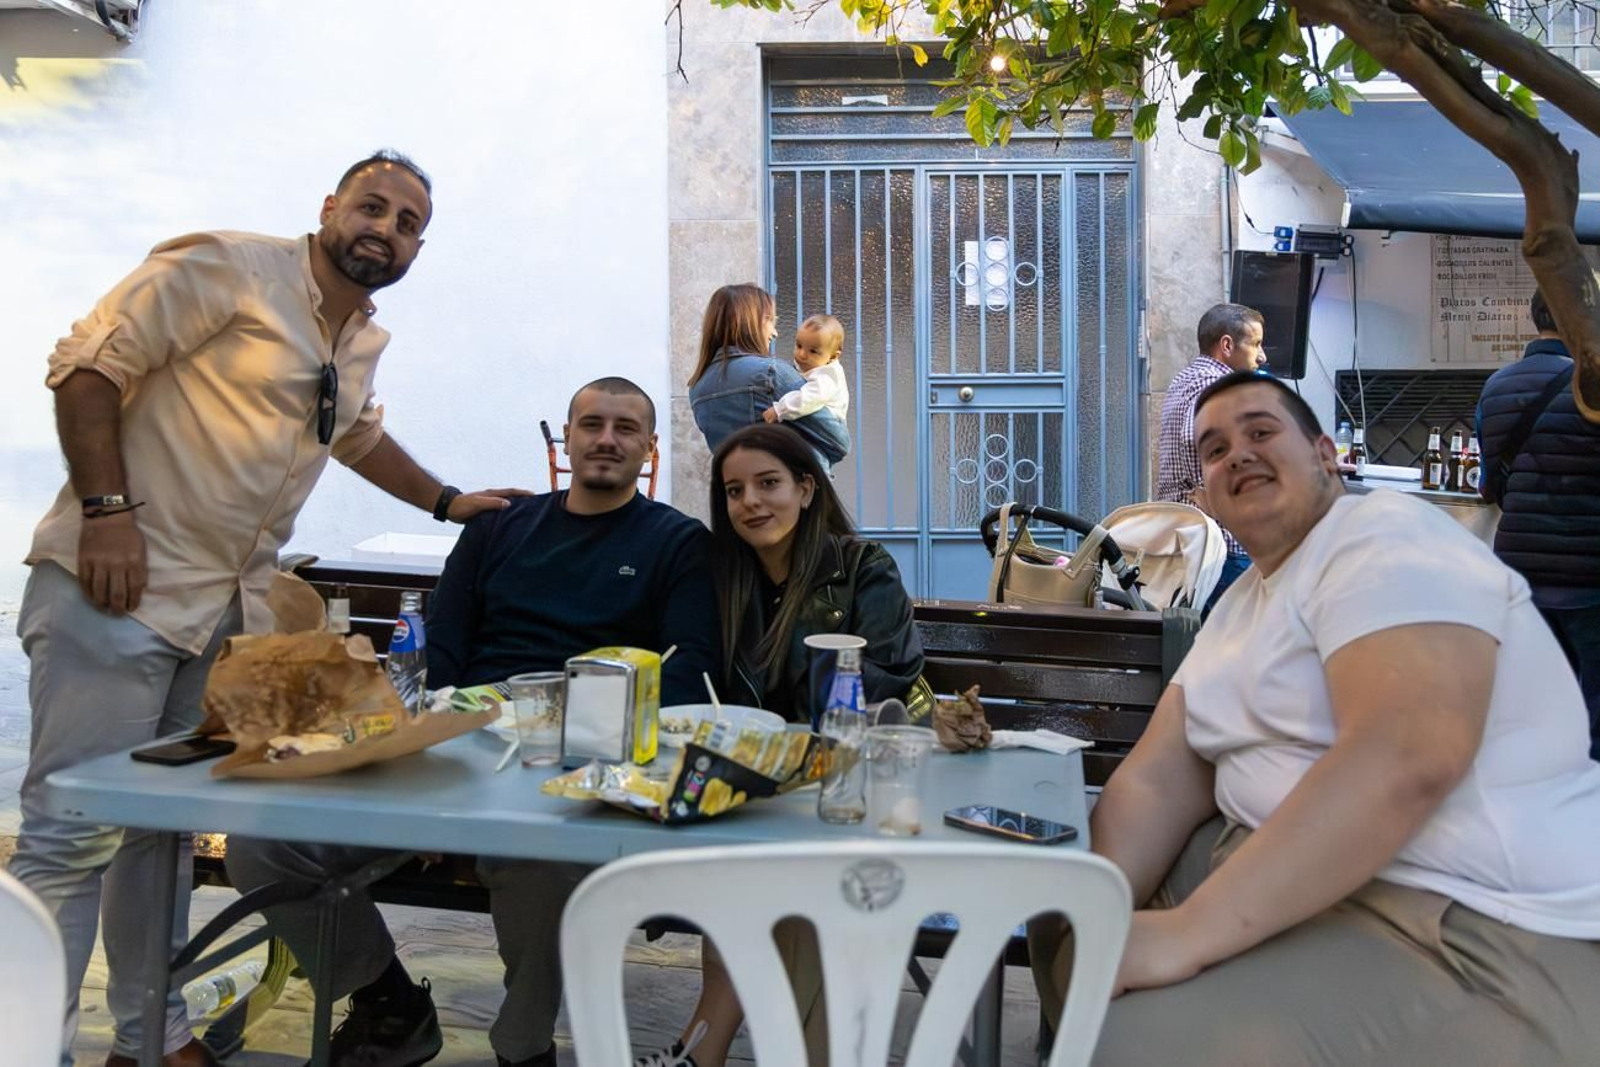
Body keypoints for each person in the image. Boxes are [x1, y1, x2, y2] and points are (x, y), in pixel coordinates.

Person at [8, 150, 525, 1067]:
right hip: (116, 586)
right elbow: (87, 368)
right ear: (329, 206)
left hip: (219, 619)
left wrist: (449, 502)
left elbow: (356, 435)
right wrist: (105, 513)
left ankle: (152, 1037)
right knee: (69, 835)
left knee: (158, 837)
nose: (387, 229)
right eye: (374, 206)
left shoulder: (355, 338)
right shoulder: (227, 268)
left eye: (410, 224)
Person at [1030, 370, 1600, 1065]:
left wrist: (1185, 932)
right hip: (1292, 881)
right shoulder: (1245, 599)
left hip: (1463, 923)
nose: (1236, 452)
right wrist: (1092, 906)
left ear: (1327, 454)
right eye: (1213, 448)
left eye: (1261, 431)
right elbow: (1156, 777)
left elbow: (1408, 755)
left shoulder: (1384, 535)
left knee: (1135, 1043)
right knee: (1054, 922)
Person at [227, 377, 718, 1067]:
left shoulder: (677, 542)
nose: (607, 439)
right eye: (592, 424)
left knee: (540, 864)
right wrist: (424, 770)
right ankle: (387, 1000)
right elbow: (442, 652)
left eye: (626, 428)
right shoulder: (499, 527)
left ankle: (522, 1048)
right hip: (457, 750)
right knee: (263, 844)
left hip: (572, 770)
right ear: (567, 438)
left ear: (649, 448)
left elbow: (690, 667)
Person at [636, 422, 930, 1067]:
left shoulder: (861, 567)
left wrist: (817, 679)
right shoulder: (720, 576)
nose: (750, 503)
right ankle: (712, 1051)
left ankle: (710, 1050)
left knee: (779, 883)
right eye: (734, 491)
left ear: (805, 486)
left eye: (768, 484)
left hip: (849, 788)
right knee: (748, 870)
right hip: (758, 793)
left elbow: (886, 676)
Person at [1477, 289, 1600, 760]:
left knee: (1535, 706)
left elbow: (1491, 482)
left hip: (1521, 574)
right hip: (1589, 576)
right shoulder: (1592, 385)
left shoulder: (1496, 386)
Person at [1154, 303, 1265, 612]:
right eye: (1255, 344)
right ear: (1227, 345)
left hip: (1194, 541)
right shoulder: (1215, 385)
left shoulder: (1184, 379)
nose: (1262, 355)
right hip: (1223, 546)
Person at [687, 284, 850, 470]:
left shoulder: (697, 388)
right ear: (746, 321)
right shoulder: (771, 374)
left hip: (734, 493)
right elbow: (839, 441)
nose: (775, 332)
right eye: (770, 321)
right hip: (792, 491)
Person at [761, 313, 850, 452]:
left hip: (829, 427)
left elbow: (809, 398)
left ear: (833, 356)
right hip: (816, 424)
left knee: (814, 456)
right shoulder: (814, 365)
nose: (802, 354)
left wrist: (780, 409)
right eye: (799, 345)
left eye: (813, 351)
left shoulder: (827, 376)